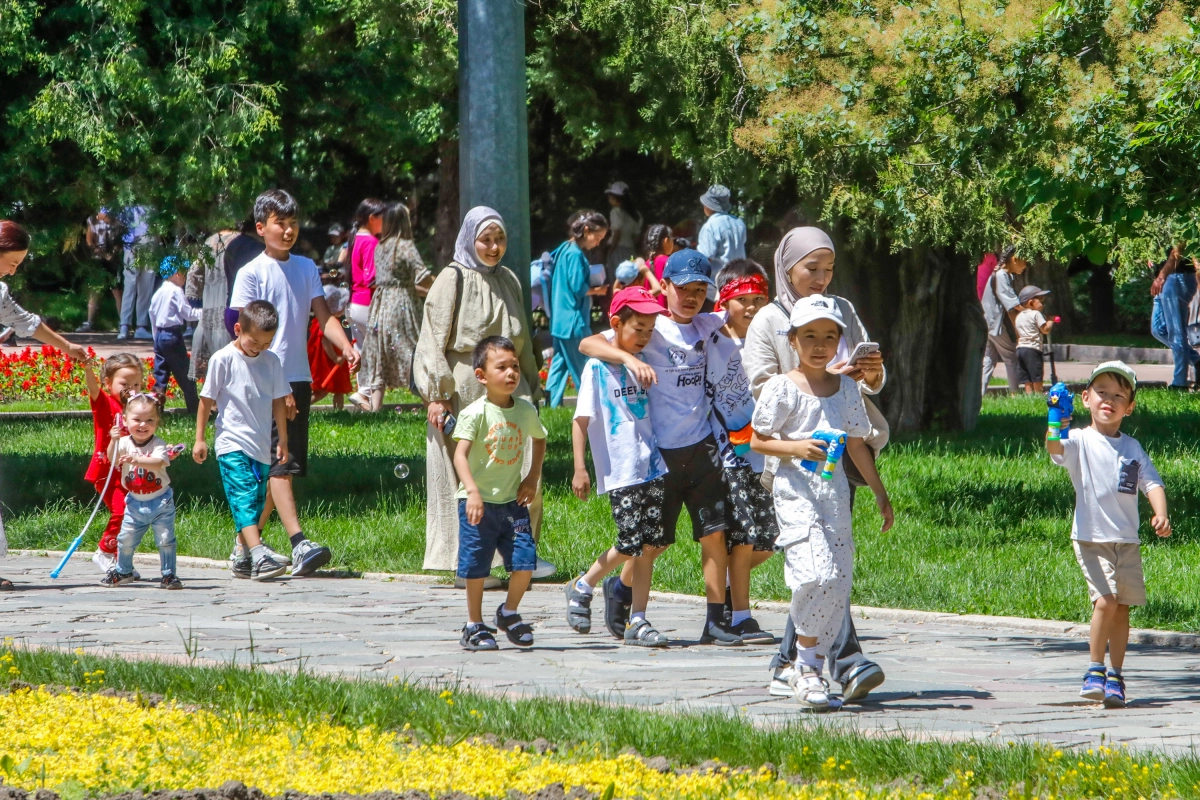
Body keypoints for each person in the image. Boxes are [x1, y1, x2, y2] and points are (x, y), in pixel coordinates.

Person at [742, 226, 888, 703]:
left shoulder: (842, 310)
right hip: (794, 462)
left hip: (840, 449)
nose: (821, 278)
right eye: (811, 268)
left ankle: (792, 663)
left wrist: (867, 373)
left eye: (828, 269)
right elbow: (760, 391)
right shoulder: (768, 319)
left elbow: (865, 384)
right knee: (816, 569)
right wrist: (813, 381)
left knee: (829, 567)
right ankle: (839, 662)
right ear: (788, 268)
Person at [579, 248, 742, 646]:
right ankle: (620, 594)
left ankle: (715, 620)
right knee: (654, 542)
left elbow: (742, 313)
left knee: (714, 534)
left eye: (700, 289)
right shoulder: (648, 324)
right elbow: (587, 345)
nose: (691, 296)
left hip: (701, 447)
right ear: (664, 285)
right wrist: (628, 359)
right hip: (657, 454)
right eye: (683, 287)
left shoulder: (707, 323)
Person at [414, 208, 553, 582]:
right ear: (470, 239)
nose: (494, 247)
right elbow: (431, 339)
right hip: (466, 387)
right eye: (486, 239)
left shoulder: (508, 279)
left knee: (523, 468)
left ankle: (522, 553)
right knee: (472, 477)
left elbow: (521, 336)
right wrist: (437, 395)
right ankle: (470, 562)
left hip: (510, 385)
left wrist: (531, 383)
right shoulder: (451, 278)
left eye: (500, 239)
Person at [228, 189, 359, 577]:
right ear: (261, 227)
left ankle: (243, 548)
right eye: (279, 223)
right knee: (278, 463)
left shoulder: (305, 268)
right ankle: (298, 543)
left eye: (293, 223)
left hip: (297, 380)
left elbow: (324, 315)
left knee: (283, 464)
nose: (287, 231)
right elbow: (240, 331)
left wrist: (346, 347)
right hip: (264, 383)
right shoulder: (251, 272)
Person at [1046, 361, 1170, 709]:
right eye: (1101, 392)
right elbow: (1054, 449)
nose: (1109, 400)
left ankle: (1116, 676)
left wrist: (1160, 512)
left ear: (1129, 407)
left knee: (1123, 609)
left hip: (1126, 540)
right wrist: (1055, 421)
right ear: (1085, 398)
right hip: (1091, 537)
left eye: (1119, 395)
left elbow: (1152, 482)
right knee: (1106, 602)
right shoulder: (1080, 440)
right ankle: (1094, 670)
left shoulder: (1132, 448)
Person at [566, 287, 671, 647]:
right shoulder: (598, 367)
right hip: (621, 469)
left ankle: (638, 620)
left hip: (652, 465)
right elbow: (580, 421)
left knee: (648, 546)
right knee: (630, 541)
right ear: (616, 324)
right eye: (637, 327)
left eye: (649, 329)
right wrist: (580, 468)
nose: (644, 336)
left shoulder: (647, 357)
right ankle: (584, 584)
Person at [453, 336, 547, 651]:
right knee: (476, 566)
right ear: (481, 376)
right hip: (477, 504)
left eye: (515, 367)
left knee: (524, 561)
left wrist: (532, 477)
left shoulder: (525, 410)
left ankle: (508, 612)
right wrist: (473, 493)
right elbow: (459, 456)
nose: (511, 373)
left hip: (512, 503)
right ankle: (474, 624)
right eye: (502, 367)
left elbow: (540, 439)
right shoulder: (475, 413)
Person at [193, 300, 294, 581]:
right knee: (243, 497)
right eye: (254, 342)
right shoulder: (223, 359)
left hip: (261, 443)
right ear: (238, 329)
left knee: (259, 501)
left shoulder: (271, 361)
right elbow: (206, 401)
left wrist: (282, 439)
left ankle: (242, 553)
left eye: (267, 343)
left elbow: (278, 401)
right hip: (231, 442)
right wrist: (200, 439)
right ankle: (259, 553)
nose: (260, 348)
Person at [706, 259, 777, 644]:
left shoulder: (773, 338)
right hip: (725, 454)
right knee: (743, 536)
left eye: (759, 298)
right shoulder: (709, 336)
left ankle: (735, 594)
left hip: (766, 453)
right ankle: (742, 616)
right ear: (724, 300)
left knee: (769, 538)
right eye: (742, 299)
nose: (751, 306)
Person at [348, 202, 432, 412]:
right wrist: (440, 286)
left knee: (380, 354)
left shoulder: (381, 246)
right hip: (402, 303)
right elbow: (422, 275)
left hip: (380, 303)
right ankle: (430, 404)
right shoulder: (405, 245)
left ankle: (375, 409)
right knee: (414, 351)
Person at [101, 392, 186, 589]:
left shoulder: (159, 444)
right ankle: (124, 570)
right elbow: (111, 459)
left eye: (149, 420)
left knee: (165, 539)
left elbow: (157, 463)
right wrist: (113, 441)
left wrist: (136, 460)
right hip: (134, 502)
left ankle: (168, 574)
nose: (142, 425)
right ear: (125, 420)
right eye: (137, 420)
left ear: (157, 422)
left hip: (160, 502)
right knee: (126, 539)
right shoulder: (123, 443)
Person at [84, 353, 144, 576]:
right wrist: (89, 368)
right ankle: (104, 551)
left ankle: (122, 561)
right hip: (106, 471)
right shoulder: (104, 402)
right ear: (108, 383)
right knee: (122, 511)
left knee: (132, 516)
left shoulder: (136, 408)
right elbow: (92, 388)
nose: (132, 389)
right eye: (125, 384)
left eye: (136, 384)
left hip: (129, 472)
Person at [547, 211, 609, 408]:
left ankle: (550, 405)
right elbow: (577, 288)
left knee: (559, 365)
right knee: (584, 368)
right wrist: (598, 290)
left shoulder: (565, 248)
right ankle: (591, 409)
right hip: (574, 321)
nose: (598, 243)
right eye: (598, 238)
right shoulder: (575, 254)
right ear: (587, 231)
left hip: (560, 320)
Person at [148, 257, 201, 413]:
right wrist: (206, 312)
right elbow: (188, 314)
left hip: (159, 336)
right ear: (177, 274)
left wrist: (155, 337)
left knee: (160, 375)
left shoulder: (158, 292)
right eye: (183, 274)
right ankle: (194, 409)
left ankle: (155, 411)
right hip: (172, 334)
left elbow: (152, 315)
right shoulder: (176, 290)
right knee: (185, 374)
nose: (184, 278)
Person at [186, 228, 238, 381]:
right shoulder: (242, 241)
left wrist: (195, 298)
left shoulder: (210, 241)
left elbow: (194, 272)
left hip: (210, 303)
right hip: (230, 301)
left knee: (213, 375)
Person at [1149, 246, 1200, 389]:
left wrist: (1161, 276)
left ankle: (1180, 383)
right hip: (1165, 281)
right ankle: (1196, 360)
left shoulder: (1176, 226)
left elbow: (1177, 252)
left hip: (1177, 278)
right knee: (1158, 329)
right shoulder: (1156, 228)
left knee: (1176, 334)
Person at [980, 246, 1027, 394]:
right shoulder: (1001, 275)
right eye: (1024, 261)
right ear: (1014, 259)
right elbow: (1012, 307)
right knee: (1011, 357)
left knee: (988, 361)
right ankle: (1015, 394)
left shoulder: (1002, 275)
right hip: (995, 324)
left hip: (987, 322)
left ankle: (978, 395)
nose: (1026, 266)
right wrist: (1020, 329)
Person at [696, 185, 748, 304]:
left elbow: (704, 260)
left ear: (709, 206)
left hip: (715, 291)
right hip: (738, 284)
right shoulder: (739, 223)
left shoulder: (710, 226)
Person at [347, 198, 387, 346]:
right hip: (368, 306)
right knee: (379, 360)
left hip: (355, 305)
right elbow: (372, 280)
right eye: (383, 218)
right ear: (372, 218)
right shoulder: (371, 242)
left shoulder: (356, 238)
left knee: (361, 361)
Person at [115, 206, 156, 342]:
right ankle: (124, 326)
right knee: (130, 286)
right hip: (132, 245)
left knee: (146, 288)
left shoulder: (154, 205)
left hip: (150, 245)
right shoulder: (127, 204)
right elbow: (119, 224)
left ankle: (141, 327)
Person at [79, 210, 123, 332]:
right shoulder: (92, 220)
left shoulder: (117, 221)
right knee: (94, 290)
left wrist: (112, 254)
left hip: (114, 260)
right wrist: (99, 251)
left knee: (117, 291)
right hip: (98, 259)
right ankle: (89, 322)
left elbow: (120, 241)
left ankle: (123, 322)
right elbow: (89, 240)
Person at [310, 286, 353, 410]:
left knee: (339, 388)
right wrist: (335, 357)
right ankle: (301, 408)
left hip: (336, 359)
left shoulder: (330, 321)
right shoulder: (327, 323)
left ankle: (339, 411)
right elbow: (325, 341)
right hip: (328, 361)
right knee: (321, 391)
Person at [1014, 285, 1055, 394]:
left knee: (1026, 375)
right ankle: (1038, 393)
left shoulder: (1019, 316)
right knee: (1036, 374)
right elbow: (1045, 330)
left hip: (1020, 349)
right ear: (1031, 302)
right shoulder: (1036, 314)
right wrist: (1051, 321)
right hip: (1032, 349)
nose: (1043, 304)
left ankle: (1029, 395)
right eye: (1041, 300)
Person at [605, 182, 643, 280]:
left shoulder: (615, 212)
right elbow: (637, 237)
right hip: (631, 251)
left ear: (616, 198)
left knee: (617, 277)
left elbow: (617, 233)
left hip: (618, 249)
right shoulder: (636, 215)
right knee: (630, 277)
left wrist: (611, 250)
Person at [642, 224, 676, 308]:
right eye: (672, 239)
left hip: (649, 313)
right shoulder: (669, 262)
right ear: (666, 241)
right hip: (666, 313)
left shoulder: (645, 264)